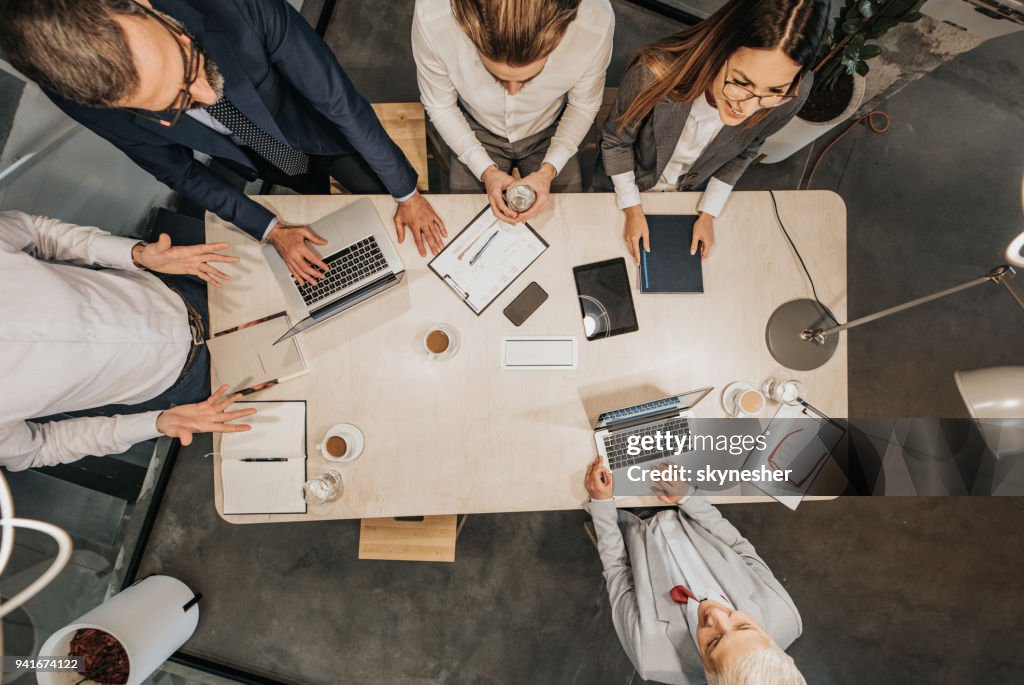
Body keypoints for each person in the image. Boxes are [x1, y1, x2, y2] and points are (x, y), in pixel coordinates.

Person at [0, 0, 448, 285]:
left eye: (188, 65)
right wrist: (271, 230)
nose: (206, 96)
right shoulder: (86, 102)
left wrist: (406, 192)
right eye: (175, 104)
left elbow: (340, 104)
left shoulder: (233, 5)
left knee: (374, 183)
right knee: (309, 200)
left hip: (315, 125)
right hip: (255, 155)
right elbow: (179, 171)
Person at [0, 210, 257, 471]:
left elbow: (36, 232)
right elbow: (39, 449)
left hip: (190, 282)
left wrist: (135, 254)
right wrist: (155, 424)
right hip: (197, 381)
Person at [597, 0, 829, 263]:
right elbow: (616, 141)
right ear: (720, 47)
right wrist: (632, 208)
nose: (749, 108)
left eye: (774, 91)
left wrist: (708, 212)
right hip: (625, 185)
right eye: (741, 82)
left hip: (691, 193)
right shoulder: (652, 74)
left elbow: (749, 147)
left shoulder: (794, 92)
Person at [583, 456, 806, 684]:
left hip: (628, 514)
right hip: (688, 507)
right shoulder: (783, 612)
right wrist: (688, 496)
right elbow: (738, 546)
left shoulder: (650, 656)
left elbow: (617, 569)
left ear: (709, 678)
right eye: (743, 625)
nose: (715, 615)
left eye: (713, 642)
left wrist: (602, 504)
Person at [413, 0, 613, 223]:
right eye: (497, 78)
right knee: (467, 221)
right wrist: (486, 171)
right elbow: (440, 105)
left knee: (565, 223)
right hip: (473, 125)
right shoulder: (433, 15)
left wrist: (548, 170)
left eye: (528, 79)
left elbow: (583, 105)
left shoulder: (595, 23)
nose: (513, 93)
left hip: (550, 128)